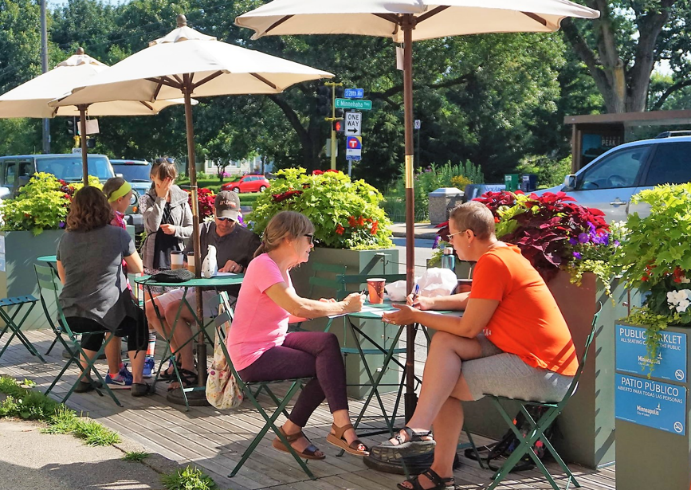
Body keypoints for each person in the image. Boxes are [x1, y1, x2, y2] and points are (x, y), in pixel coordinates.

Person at [374, 201, 578, 490]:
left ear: (469, 235)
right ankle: (423, 435)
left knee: (441, 386)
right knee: (444, 344)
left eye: (452, 236)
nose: (451, 243)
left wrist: (416, 316)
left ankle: (433, 457)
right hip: (532, 356)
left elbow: (469, 327)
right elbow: (478, 300)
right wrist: (433, 302)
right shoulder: (504, 254)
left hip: (544, 371)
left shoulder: (494, 262)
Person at [227, 210, 369, 460]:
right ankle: (337, 427)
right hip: (252, 354)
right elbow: (295, 305)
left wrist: (318, 308)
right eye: (309, 237)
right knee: (324, 365)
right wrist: (343, 307)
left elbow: (287, 312)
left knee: (327, 343)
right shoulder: (264, 265)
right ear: (290, 238)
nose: (312, 245)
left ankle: (298, 430)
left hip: (273, 341)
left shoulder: (278, 267)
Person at [146, 191, 260, 390]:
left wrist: (241, 267)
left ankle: (188, 369)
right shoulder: (202, 230)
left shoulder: (249, 239)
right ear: (214, 213)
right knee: (151, 308)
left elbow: (259, 272)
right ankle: (181, 356)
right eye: (221, 217)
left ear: (239, 214)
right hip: (197, 288)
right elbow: (185, 260)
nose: (225, 223)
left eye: (230, 219)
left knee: (173, 310)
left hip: (228, 295)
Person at [56, 186, 150, 397]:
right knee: (138, 318)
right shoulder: (118, 234)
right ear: (104, 207)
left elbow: (64, 278)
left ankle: (83, 377)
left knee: (93, 314)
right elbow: (138, 268)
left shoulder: (66, 238)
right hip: (105, 316)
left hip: (69, 316)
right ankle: (137, 381)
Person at [140, 158, 192, 277]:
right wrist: (161, 199)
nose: (166, 183)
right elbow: (153, 226)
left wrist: (176, 230)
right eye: (162, 179)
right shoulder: (146, 199)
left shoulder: (181, 198)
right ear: (152, 177)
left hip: (177, 257)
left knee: (175, 295)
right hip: (154, 259)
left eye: (170, 179)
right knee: (154, 295)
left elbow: (191, 228)